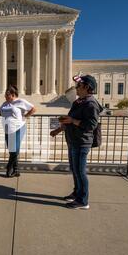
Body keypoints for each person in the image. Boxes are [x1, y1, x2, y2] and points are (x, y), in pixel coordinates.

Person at [50, 75, 102, 210]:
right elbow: (70, 119)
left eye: (78, 86)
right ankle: (77, 193)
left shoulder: (91, 104)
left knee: (80, 171)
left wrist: (73, 121)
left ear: (87, 87)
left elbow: (91, 125)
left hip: (82, 142)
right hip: (73, 140)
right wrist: (58, 130)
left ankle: (83, 201)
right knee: (75, 169)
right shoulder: (78, 102)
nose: (76, 88)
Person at [0, 85, 36, 177]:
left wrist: (25, 116)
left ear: (13, 94)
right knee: (12, 151)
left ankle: (8, 168)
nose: (5, 96)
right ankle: (16, 170)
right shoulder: (5, 103)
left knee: (15, 151)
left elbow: (33, 109)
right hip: (7, 130)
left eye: (7, 94)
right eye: (5, 95)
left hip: (18, 128)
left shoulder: (20, 101)